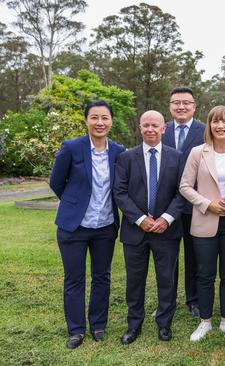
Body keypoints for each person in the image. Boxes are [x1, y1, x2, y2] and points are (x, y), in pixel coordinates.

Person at [50, 100, 125, 349]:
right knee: (75, 278)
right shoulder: (72, 147)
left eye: (104, 118)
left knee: (102, 277)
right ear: (86, 121)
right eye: (94, 117)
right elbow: (56, 181)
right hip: (74, 227)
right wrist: (74, 203)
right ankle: (76, 329)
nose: (100, 122)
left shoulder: (118, 151)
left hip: (105, 226)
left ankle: (99, 325)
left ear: (111, 121)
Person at [113, 111, 185, 344]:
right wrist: (141, 219)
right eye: (146, 125)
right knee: (135, 281)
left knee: (167, 280)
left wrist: (166, 218)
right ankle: (134, 325)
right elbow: (120, 193)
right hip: (135, 231)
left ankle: (164, 324)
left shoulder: (177, 157)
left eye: (155, 125)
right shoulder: (126, 158)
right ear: (140, 127)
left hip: (167, 231)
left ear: (164, 128)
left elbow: (182, 192)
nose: (150, 129)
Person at [179, 106, 225, 341]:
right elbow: (185, 186)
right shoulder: (198, 153)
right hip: (205, 220)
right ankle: (205, 321)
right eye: (215, 122)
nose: (220, 126)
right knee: (205, 274)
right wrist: (208, 204)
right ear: (209, 126)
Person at [161, 86, 206, 318]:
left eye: (186, 102)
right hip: (164, 207)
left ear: (194, 106)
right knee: (167, 257)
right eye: (176, 102)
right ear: (170, 107)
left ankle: (194, 300)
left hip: (193, 206)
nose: (181, 106)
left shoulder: (205, 131)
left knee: (193, 255)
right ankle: (166, 301)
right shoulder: (160, 129)